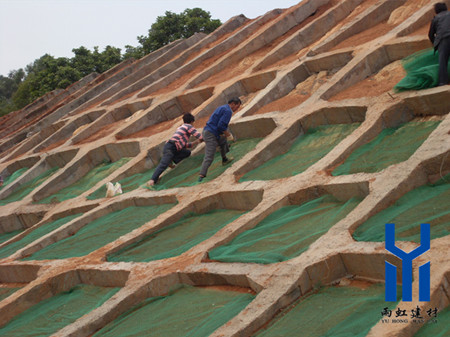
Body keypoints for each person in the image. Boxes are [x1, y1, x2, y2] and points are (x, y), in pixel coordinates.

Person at [147, 113, 203, 186]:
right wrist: (205, 138)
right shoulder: (188, 126)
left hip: (174, 147)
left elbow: (184, 145)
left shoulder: (181, 128)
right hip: (171, 147)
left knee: (187, 152)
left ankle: (172, 160)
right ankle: (152, 180)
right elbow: (200, 136)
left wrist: (196, 142)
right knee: (164, 163)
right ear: (192, 121)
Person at [198, 97, 242, 181]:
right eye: (237, 106)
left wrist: (224, 135)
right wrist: (228, 135)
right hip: (211, 133)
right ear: (232, 104)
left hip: (211, 131)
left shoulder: (222, 107)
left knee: (223, 141)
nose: (237, 109)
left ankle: (224, 159)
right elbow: (221, 126)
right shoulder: (228, 111)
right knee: (209, 155)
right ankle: (202, 175)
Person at [428, 2, 450, 86]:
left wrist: (436, 42)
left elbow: (430, 34)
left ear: (436, 10)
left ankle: (443, 82)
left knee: (443, 62)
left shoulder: (435, 19)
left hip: (442, 40)